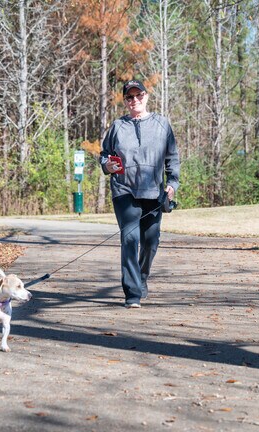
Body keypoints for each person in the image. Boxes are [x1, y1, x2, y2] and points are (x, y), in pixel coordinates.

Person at [99, 79, 180, 309]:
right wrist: (108, 165)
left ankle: (142, 277)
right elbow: (104, 155)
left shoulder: (162, 124)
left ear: (146, 96)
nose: (134, 100)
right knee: (130, 239)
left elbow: (172, 157)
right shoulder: (117, 126)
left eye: (138, 95)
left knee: (150, 241)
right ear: (125, 101)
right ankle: (132, 293)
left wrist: (172, 184)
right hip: (124, 190)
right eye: (129, 97)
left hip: (154, 193)